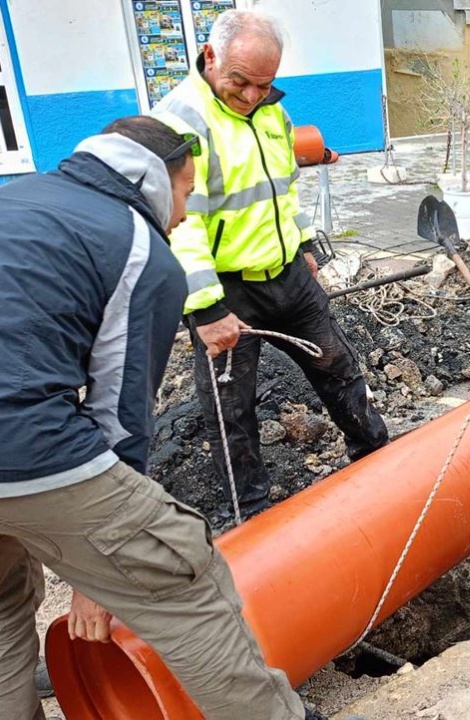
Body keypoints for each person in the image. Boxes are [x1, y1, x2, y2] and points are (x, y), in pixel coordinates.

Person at [0, 116, 349, 720]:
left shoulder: (20, 198)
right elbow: (121, 420)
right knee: (184, 579)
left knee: (4, 605)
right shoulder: (141, 251)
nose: (184, 216)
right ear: (151, 179)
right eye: (186, 193)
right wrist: (98, 572)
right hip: (25, 442)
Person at [153, 9, 387, 520]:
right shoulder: (179, 120)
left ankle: (378, 458)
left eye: (265, 83)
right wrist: (206, 309)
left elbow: (281, 190)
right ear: (210, 57)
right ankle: (252, 515)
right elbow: (181, 224)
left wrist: (305, 245)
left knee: (338, 366)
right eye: (241, 82)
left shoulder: (271, 114)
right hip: (228, 291)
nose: (253, 95)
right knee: (230, 407)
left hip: (288, 275)